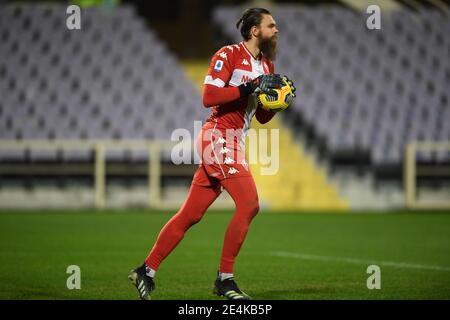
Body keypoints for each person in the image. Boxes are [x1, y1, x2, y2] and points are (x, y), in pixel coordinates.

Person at [129, 7, 295, 300]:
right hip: (218, 136)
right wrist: (251, 87)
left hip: (233, 141)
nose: (276, 30)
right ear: (255, 30)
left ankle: (146, 270)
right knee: (249, 203)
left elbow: (261, 116)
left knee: (190, 214)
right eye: (272, 25)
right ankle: (224, 279)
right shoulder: (228, 55)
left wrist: (279, 102)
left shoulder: (267, 66)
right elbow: (209, 97)